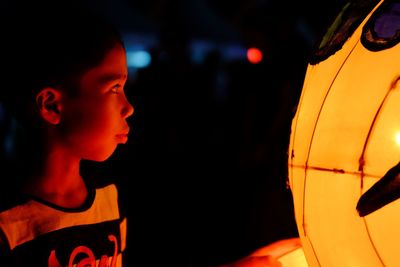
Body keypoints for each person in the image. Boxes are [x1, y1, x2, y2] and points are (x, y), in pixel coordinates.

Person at [0, 2, 289, 267]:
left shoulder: (109, 199)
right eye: (114, 88)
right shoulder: (11, 226)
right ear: (52, 105)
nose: (129, 107)